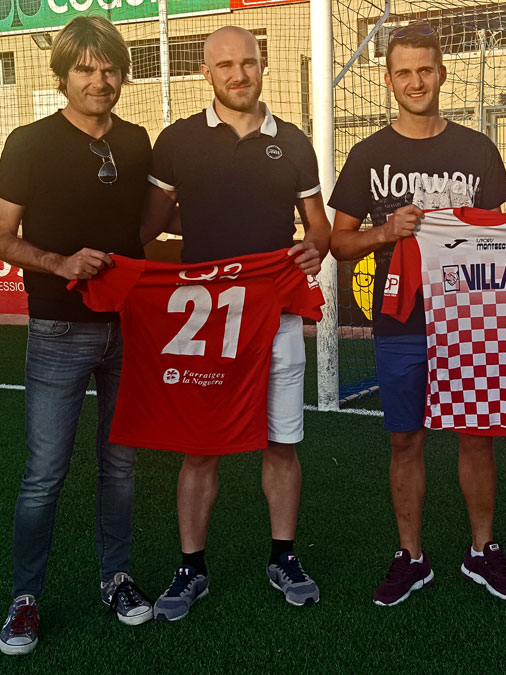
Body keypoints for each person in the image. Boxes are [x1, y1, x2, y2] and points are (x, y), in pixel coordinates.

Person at [328, 24, 506, 607]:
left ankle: (482, 549)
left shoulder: (477, 149)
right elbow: (338, 243)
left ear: (442, 73)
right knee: (405, 439)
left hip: (474, 318)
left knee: (477, 436)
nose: (415, 82)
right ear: (389, 80)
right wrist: (384, 233)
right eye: (403, 72)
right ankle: (411, 556)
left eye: (425, 70)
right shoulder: (368, 154)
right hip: (401, 320)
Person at [137, 25, 330, 620]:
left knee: (281, 444)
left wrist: (314, 249)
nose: (238, 74)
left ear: (262, 65)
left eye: (248, 62)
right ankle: (190, 568)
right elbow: (146, 228)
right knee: (201, 450)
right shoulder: (176, 140)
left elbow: (319, 228)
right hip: (206, 322)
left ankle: (284, 556)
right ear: (206, 72)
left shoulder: (293, 141)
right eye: (225, 65)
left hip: (275, 316)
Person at [0, 16, 154, 655]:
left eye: (109, 69)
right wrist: (60, 263)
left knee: (121, 467)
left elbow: (147, 228)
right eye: (85, 69)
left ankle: (117, 580)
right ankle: (25, 599)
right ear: (63, 76)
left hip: (128, 329)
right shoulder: (29, 143)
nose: (99, 80)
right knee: (44, 474)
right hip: (58, 329)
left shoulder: (136, 141)